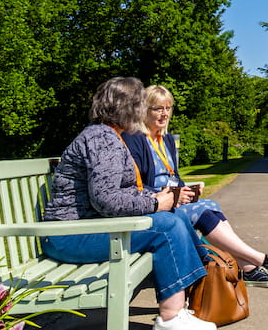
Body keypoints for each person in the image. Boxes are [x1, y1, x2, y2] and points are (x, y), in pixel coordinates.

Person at [42, 77, 216, 330]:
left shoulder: (109, 135)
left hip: (87, 229)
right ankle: (171, 318)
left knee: (174, 218)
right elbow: (107, 200)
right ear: (129, 108)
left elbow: (120, 191)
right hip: (68, 235)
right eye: (141, 105)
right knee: (166, 226)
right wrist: (157, 205)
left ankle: (183, 305)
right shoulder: (102, 139)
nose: (143, 112)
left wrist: (157, 197)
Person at [123, 84, 268, 288]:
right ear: (144, 110)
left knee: (210, 204)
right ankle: (260, 260)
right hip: (155, 205)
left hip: (173, 199)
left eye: (168, 108)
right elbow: (134, 185)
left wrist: (186, 189)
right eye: (158, 109)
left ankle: (248, 267)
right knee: (203, 212)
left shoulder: (166, 139)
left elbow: (174, 176)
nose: (164, 114)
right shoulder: (135, 139)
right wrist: (168, 196)